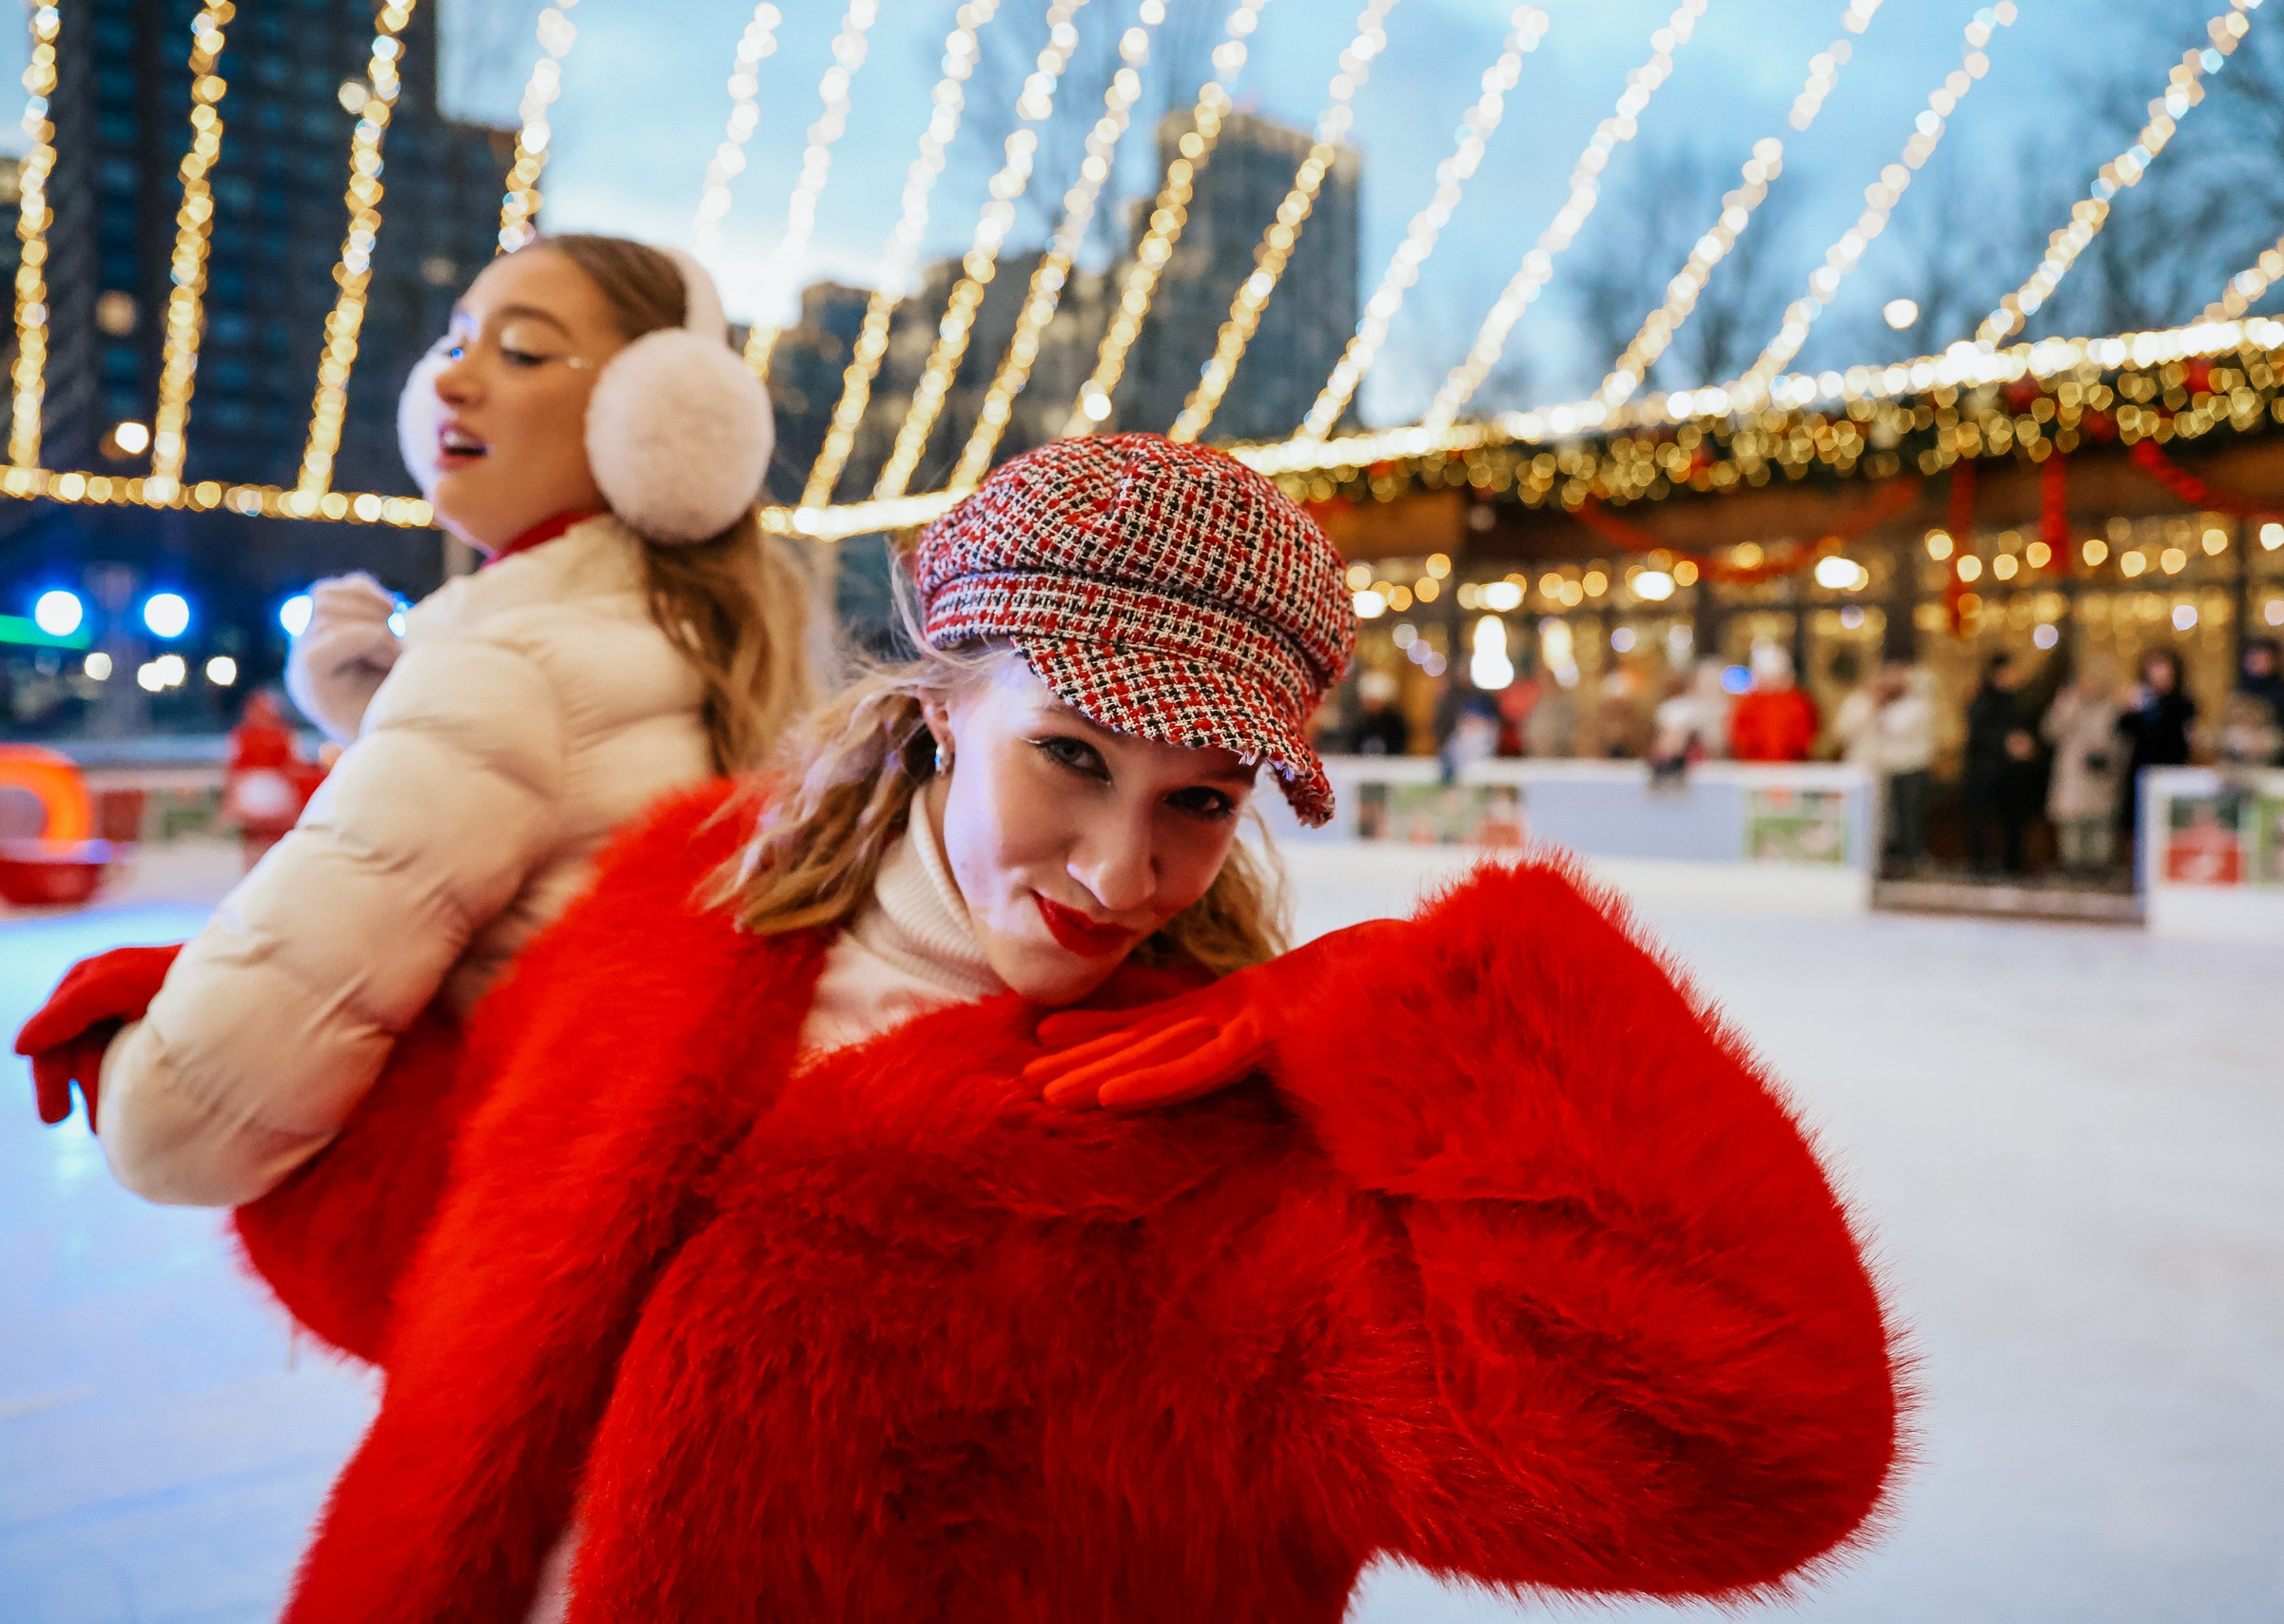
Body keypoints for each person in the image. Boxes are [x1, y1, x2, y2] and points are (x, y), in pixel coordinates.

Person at [235, 436, 1900, 1623]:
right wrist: (253, 1058)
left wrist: (1427, 1018)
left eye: (1201, 800)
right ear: (946, 701)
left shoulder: (1228, 1173)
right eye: (1075, 757)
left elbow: (1752, 1449)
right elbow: (453, 1284)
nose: (1119, 871)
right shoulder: (681, 910)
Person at [18, 233, 810, 1226]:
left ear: (660, 420)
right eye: (455, 341)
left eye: (522, 351)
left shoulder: (504, 671)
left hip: (500, 1237)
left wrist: (140, 1043)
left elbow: (186, 1125)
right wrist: (387, 720)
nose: (453, 380)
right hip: (645, 1222)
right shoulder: (706, 647)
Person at [1835, 661, 1936, 873]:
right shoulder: (1856, 703)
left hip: (1882, 769)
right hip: (1859, 766)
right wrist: (1870, 710)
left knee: (1882, 819)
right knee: (1856, 814)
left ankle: (1879, 860)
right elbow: (1841, 732)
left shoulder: (1896, 706)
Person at [222, 688, 323, 872]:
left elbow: (292, 763)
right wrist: (231, 797)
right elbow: (234, 768)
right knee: (253, 836)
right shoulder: (242, 735)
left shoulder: (284, 735)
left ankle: (275, 868)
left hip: (275, 788)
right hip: (252, 789)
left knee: (277, 835)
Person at [2041, 655, 2123, 877]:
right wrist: (2069, 706)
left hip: (2102, 780)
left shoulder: (2114, 707)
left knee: (2100, 835)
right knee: (2072, 836)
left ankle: (2098, 872)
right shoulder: (2069, 702)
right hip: (2074, 780)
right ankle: (2072, 871)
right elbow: (2050, 732)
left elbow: (2123, 742)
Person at [1963, 652, 2040, 876]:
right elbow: (1979, 733)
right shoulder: (1982, 699)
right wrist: (2007, 742)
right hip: (1986, 771)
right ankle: (1983, 862)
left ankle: (2013, 862)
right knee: (1985, 821)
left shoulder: (2017, 699)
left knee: (2013, 819)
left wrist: (2025, 744)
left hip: (2011, 773)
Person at [2116, 646, 2196, 842]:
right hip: (2142, 770)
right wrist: (2131, 708)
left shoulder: (2182, 702)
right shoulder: (2140, 700)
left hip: (2172, 770)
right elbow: (2123, 728)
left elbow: (2183, 734)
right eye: (2154, 666)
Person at [1729, 641, 1819, 762]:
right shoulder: (1748, 703)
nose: (1771, 681)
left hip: (1792, 764)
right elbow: (1740, 735)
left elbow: (1806, 734)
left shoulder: (1797, 702)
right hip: (1755, 765)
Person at [2234, 636, 2284, 765]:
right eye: (2253, 657)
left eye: (2262, 657)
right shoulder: (2240, 691)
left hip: (2281, 760)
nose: (2256, 662)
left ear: (2275, 660)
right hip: (2242, 759)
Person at [1344, 669, 1409, 756]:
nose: (1369, 704)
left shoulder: (1394, 723)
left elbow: (1398, 747)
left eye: (1372, 701)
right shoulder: (1359, 722)